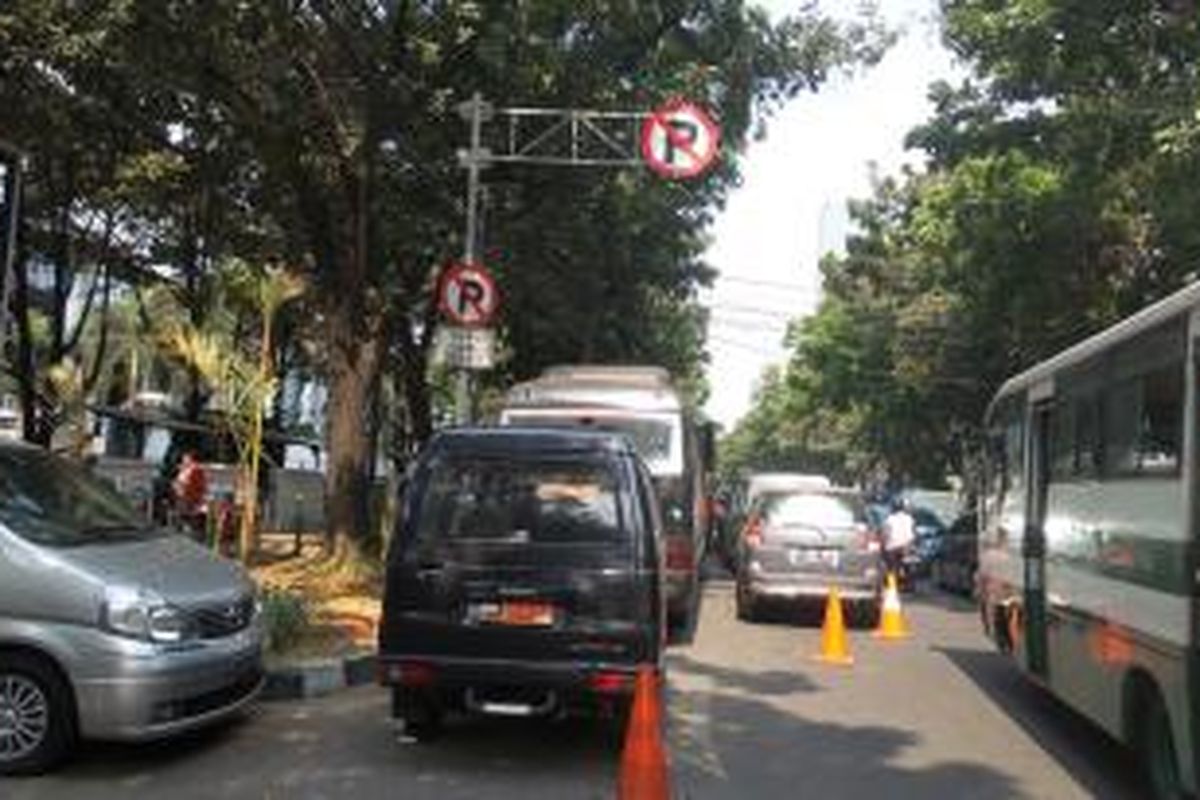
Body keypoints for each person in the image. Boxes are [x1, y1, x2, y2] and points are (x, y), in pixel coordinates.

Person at [172, 451, 209, 540]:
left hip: (190, 498)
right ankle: (184, 532)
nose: (183, 460)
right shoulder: (186, 469)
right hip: (184, 497)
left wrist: (181, 485)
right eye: (183, 459)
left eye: (185, 458)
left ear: (190, 459)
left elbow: (192, 484)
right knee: (183, 515)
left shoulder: (195, 469)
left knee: (187, 515)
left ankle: (189, 534)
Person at [883, 496, 916, 581]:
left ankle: (891, 581)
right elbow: (913, 533)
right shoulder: (910, 519)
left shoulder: (889, 519)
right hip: (906, 546)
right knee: (909, 564)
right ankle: (908, 581)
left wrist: (884, 544)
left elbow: (885, 534)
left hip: (892, 547)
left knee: (890, 567)